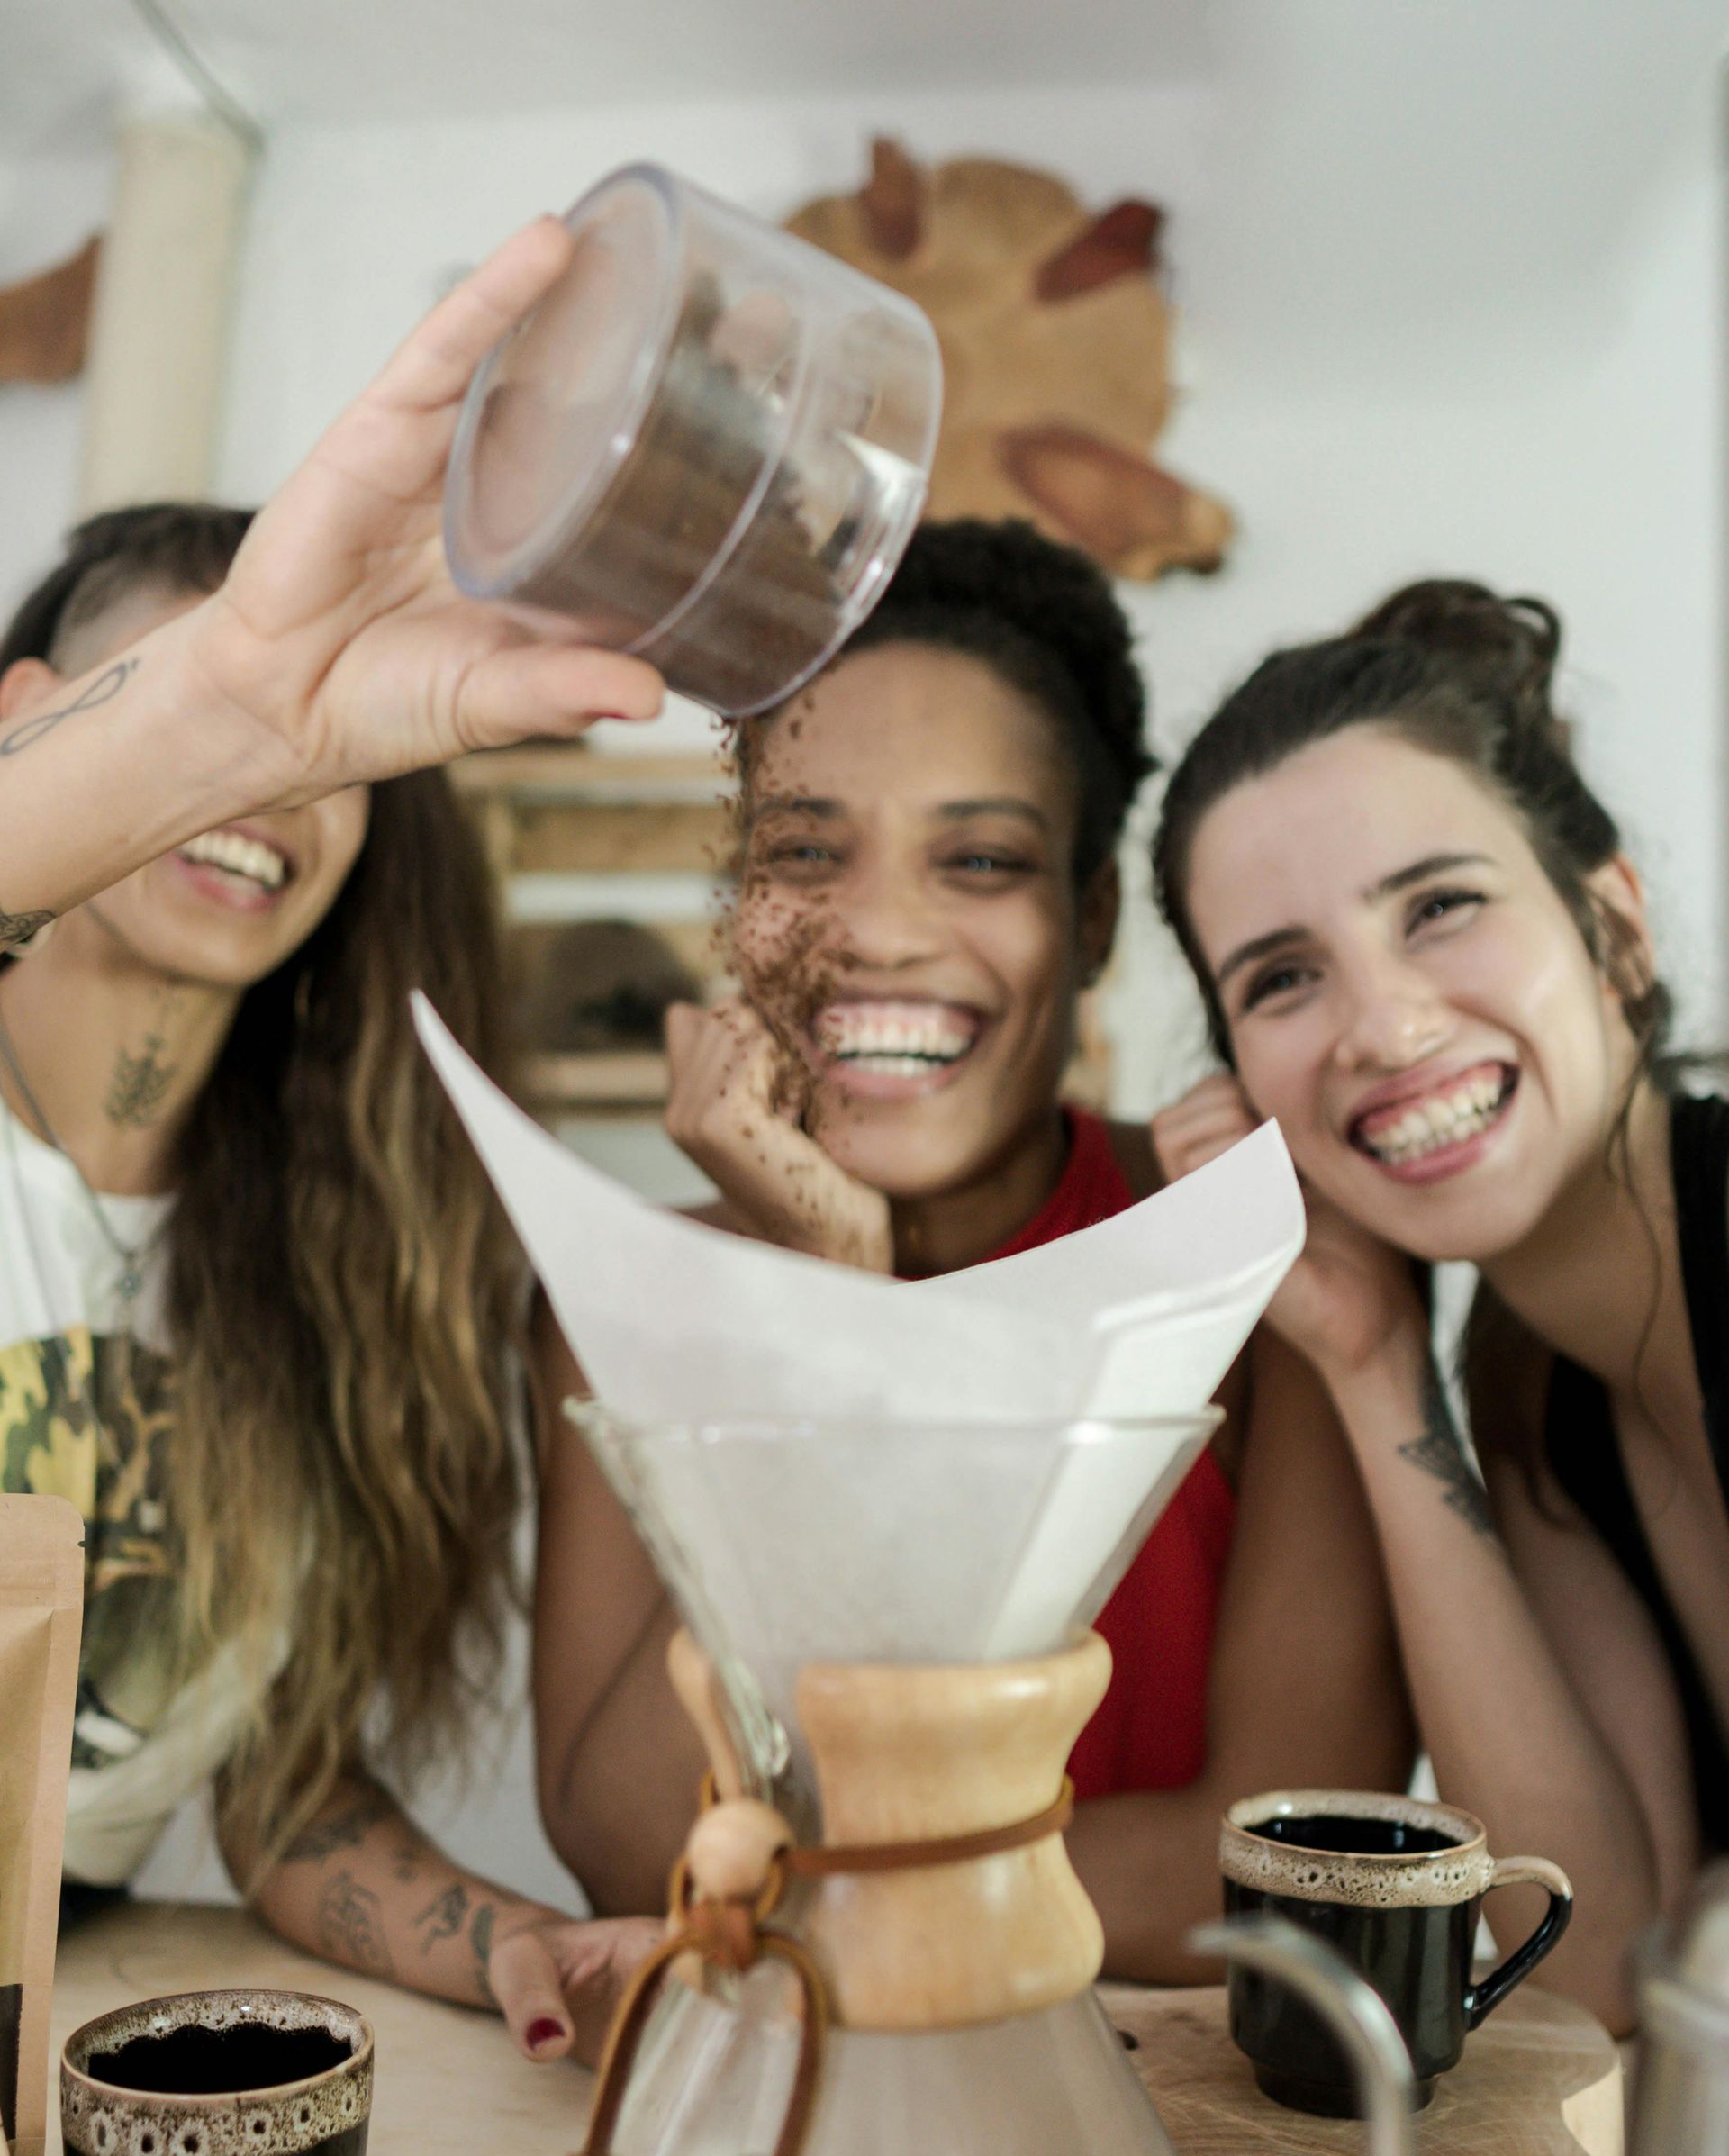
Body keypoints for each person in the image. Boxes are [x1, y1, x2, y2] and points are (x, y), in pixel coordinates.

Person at [533, 520, 1412, 1979]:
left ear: (1092, 919)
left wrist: (811, 1886)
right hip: (787, 2119)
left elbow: (1283, 1853)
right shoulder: (618, 1301)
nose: (877, 928)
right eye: (806, 849)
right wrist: (825, 1280)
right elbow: (633, 1839)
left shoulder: (1261, 1260)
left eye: (981, 858)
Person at [0, 221, 670, 2061]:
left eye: (325, 755)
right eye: (201, 717)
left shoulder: (342, 1240)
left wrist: (516, 1944)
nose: (266, 790)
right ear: (28, 728)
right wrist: (213, 724)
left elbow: (273, 1790)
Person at [1148, 577, 1718, 2030]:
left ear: (1614, 930)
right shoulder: (1536, 1375)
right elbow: (1587, 1973)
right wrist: (1375, 1362)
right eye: (1284, 978)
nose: (1386, 1028)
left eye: (1441, 907)